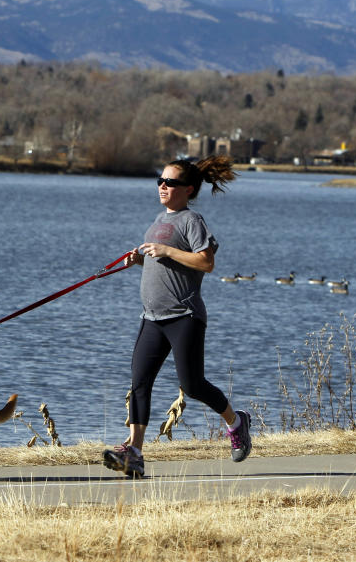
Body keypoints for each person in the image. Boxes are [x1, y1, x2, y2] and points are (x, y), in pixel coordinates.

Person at [102, 155, 251, 478]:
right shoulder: (157, 220)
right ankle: (135, 453)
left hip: (184, 315)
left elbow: (205, 262)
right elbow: (164, 262)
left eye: (170, 182)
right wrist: (139, 261)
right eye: (160, 181)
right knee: (139, 383)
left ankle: (236, 423)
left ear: (188, 189)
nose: (163, 187)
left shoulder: (191, 220)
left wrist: (167, 251)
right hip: (152, 318)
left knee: (193, 385)